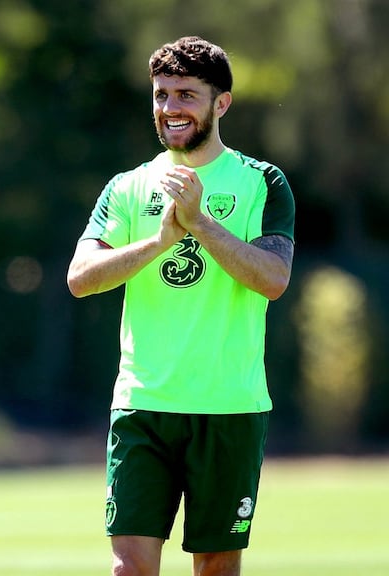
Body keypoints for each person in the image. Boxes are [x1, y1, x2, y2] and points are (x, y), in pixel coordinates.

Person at [66, 36, 295, 576]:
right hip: (142, 404)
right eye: (161, 94)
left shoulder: (262, 182)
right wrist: (159, 241)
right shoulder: (128, 187)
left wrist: (200, 224)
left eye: (186, 95)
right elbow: (80, 278)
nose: (170, 108)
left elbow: (273, 279)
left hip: (229, 407)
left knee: (215, 567)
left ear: (222, 103)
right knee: (129, 568)